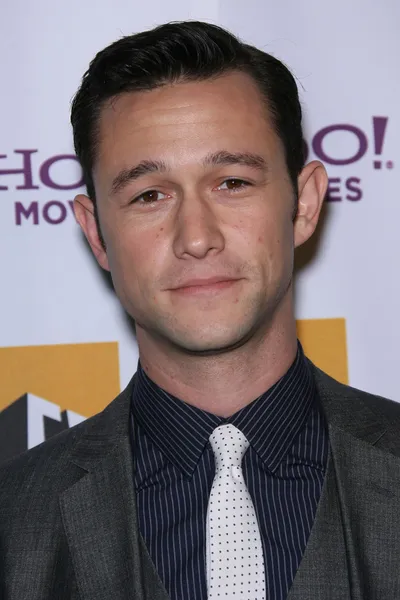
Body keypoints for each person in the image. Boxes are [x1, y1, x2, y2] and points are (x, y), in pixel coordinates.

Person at [1, 20, 399, 600]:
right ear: (96, 232)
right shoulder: (14, 520)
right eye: (149, 195)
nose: (196, 236)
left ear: (305, 203)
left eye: (232, 182)